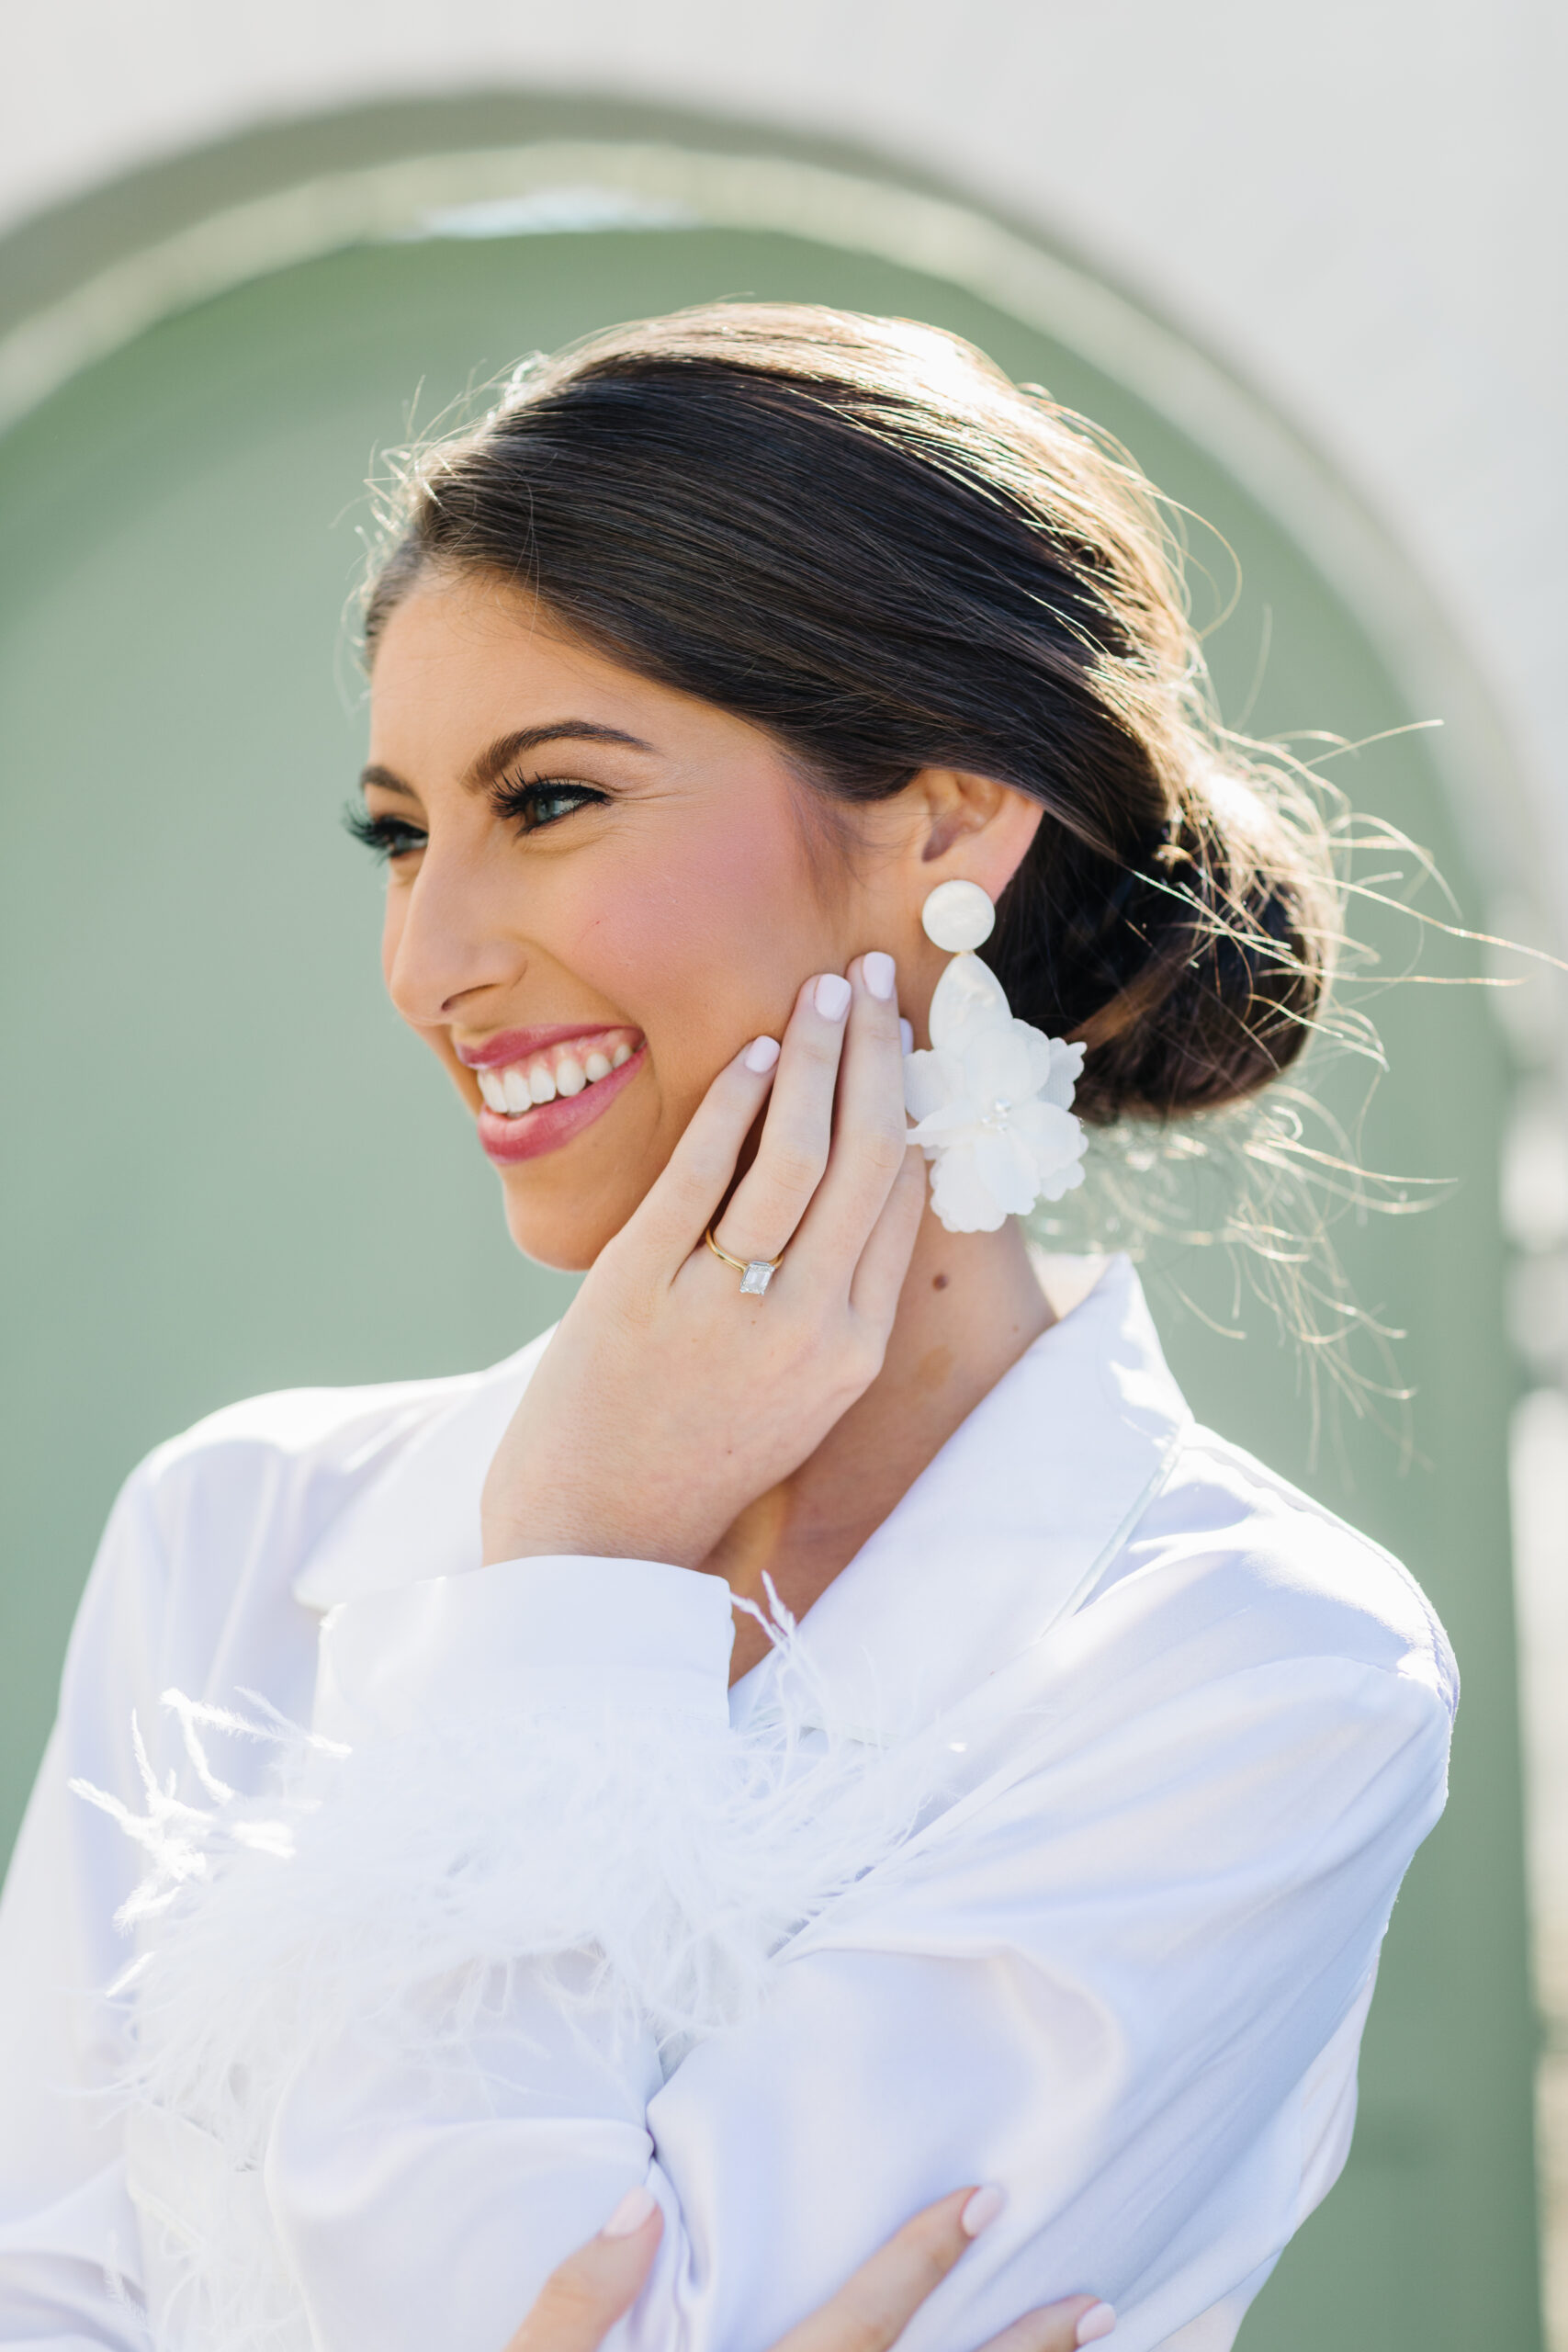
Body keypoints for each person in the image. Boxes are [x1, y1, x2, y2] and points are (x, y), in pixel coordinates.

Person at [0, 305, 1455, 2352]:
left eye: (554, 799)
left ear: (947, 819)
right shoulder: (231, 1535)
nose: (425, 960)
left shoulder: (1250, 1669)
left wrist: (581, 1574)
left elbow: (502, 2308)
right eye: (401, 831)